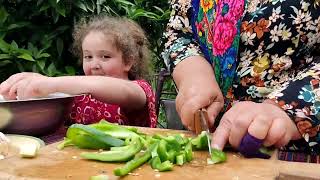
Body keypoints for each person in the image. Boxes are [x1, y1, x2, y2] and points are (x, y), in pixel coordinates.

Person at [161, 0, 320, 160]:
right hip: (207, 144)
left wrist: (288, 107)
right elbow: (179, 32)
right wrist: (194, 71)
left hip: (294, 151)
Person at [0, 16, 157, 128]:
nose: (94, 64)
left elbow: (120, 90)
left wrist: (49, 83)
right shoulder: (79, 96)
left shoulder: (139, 90)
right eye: (88, 56)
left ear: (128, 61)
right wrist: (32, 83)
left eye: (105, 56)